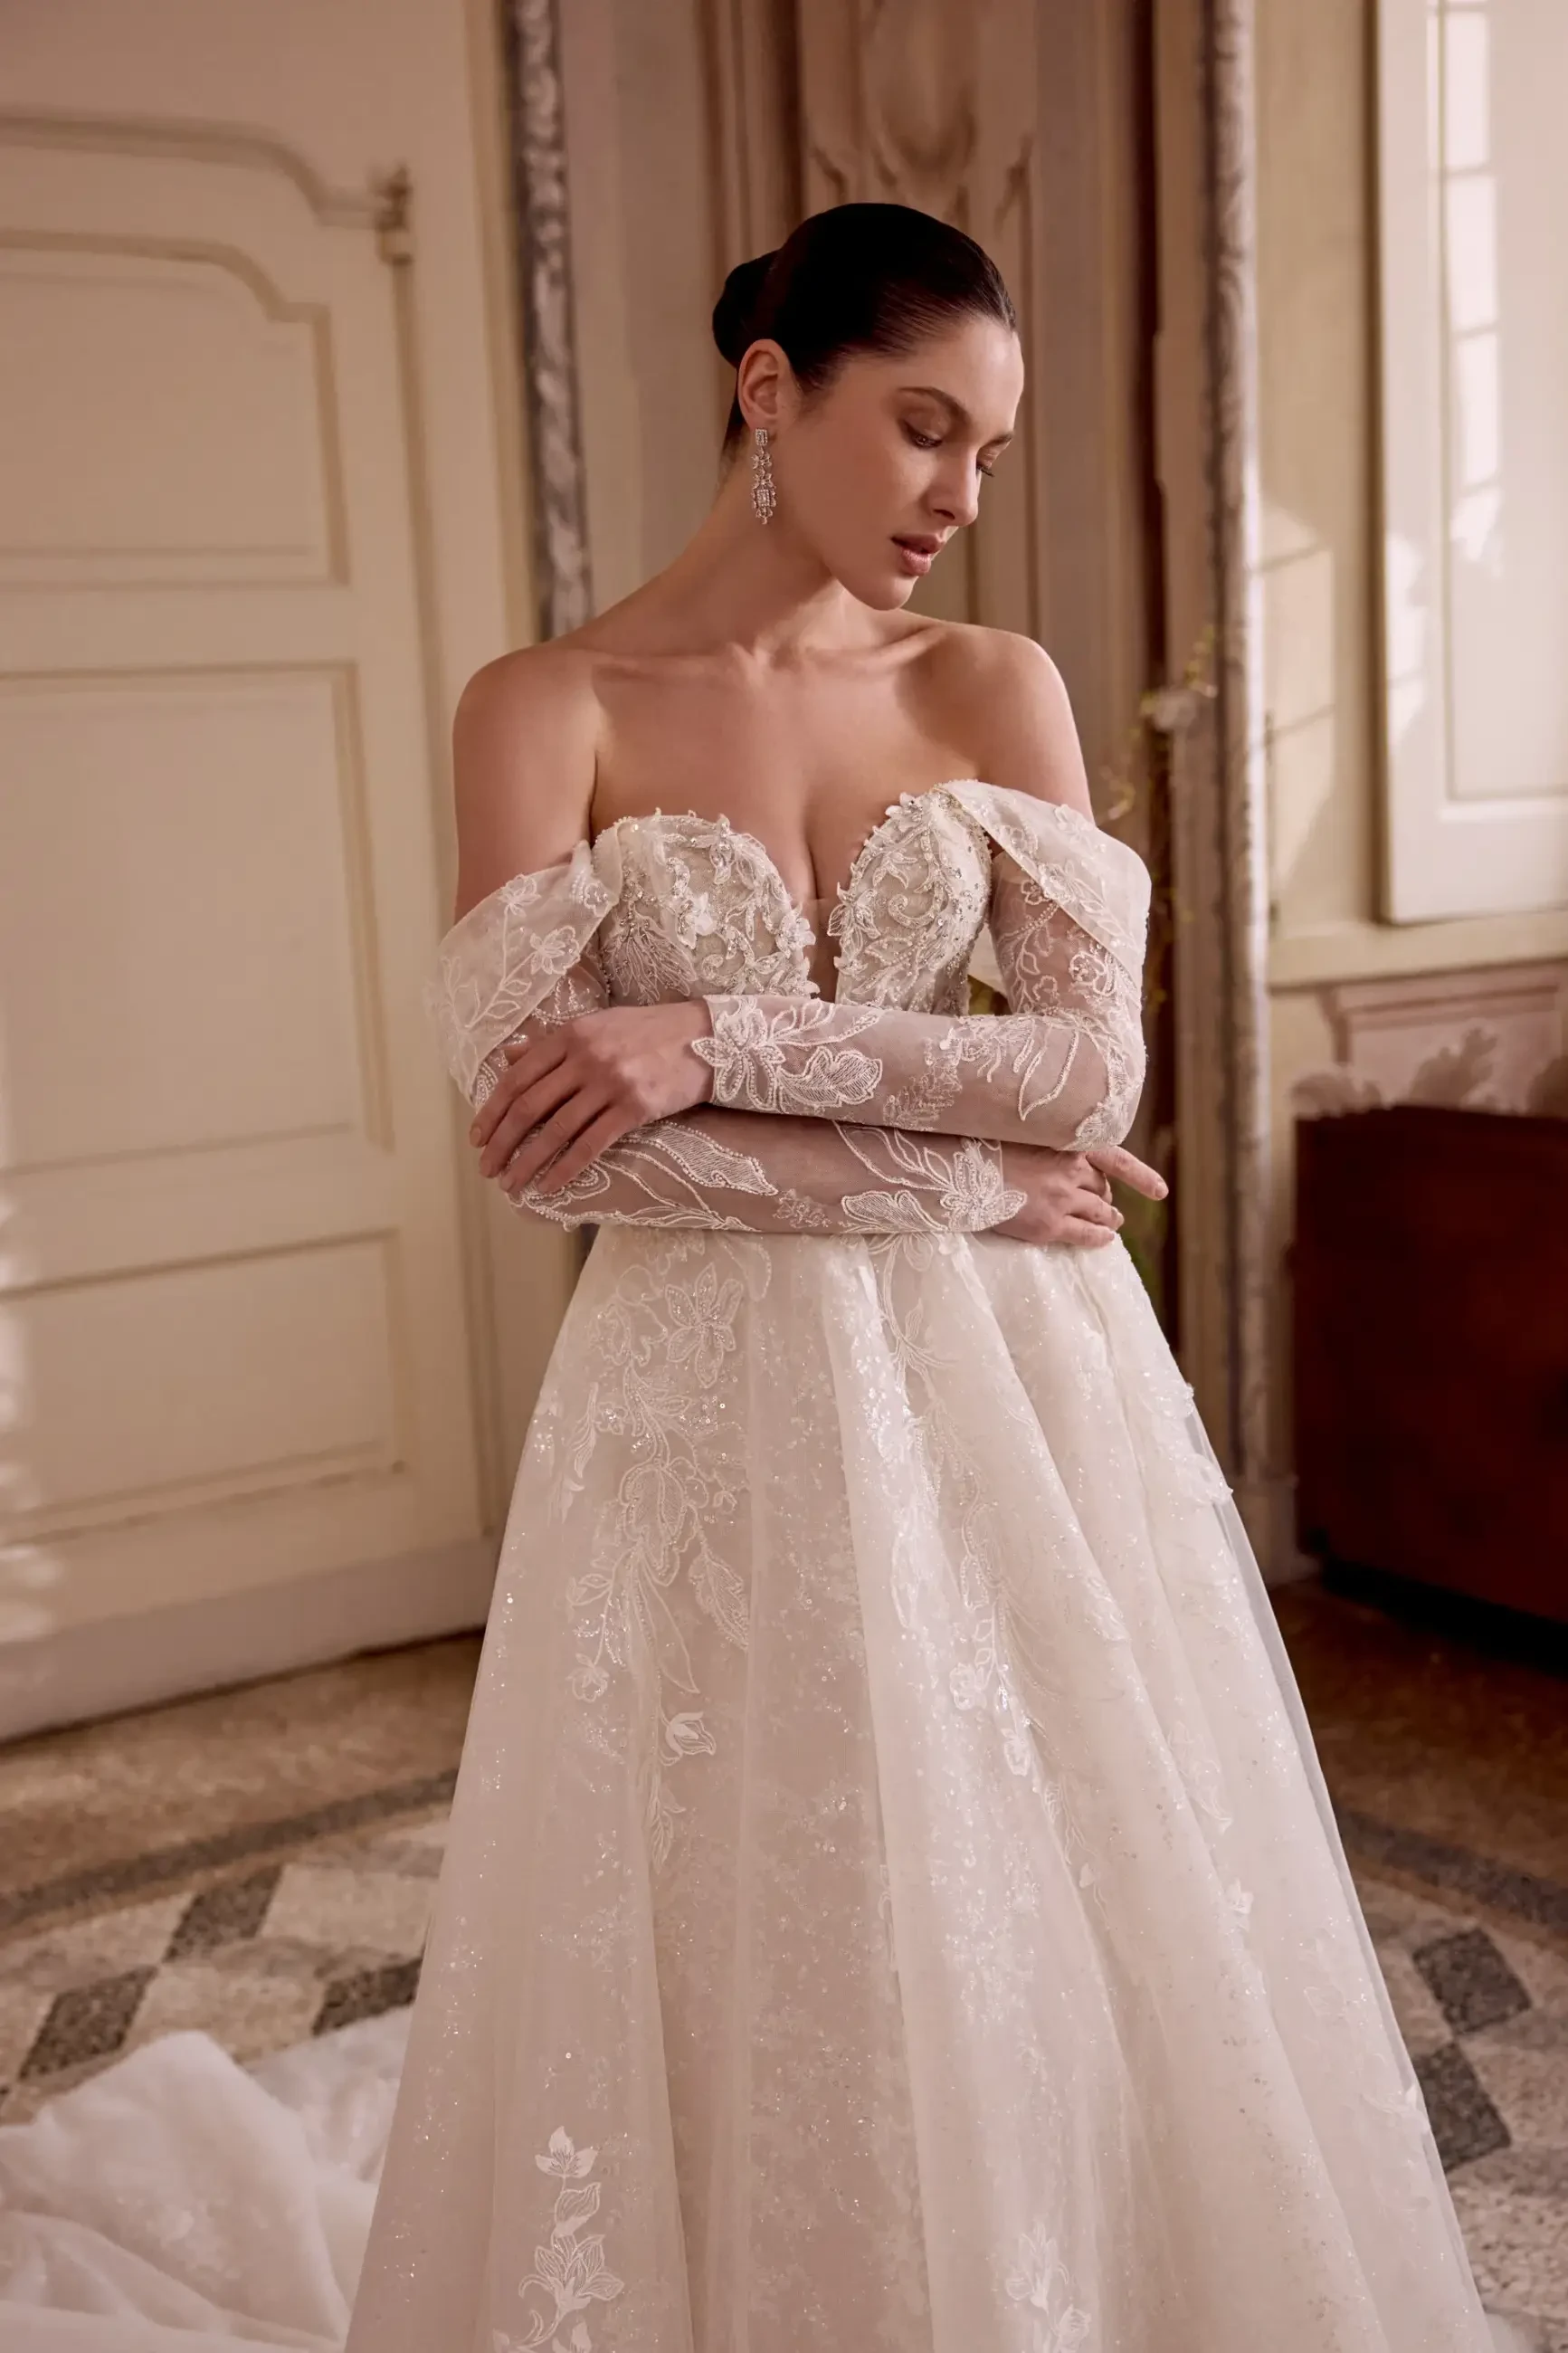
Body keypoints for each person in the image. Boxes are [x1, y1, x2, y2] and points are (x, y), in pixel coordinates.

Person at [0, 204, 1504, 2353]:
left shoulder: (994, 684)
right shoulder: (545, 706)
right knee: (749, 1904)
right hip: (710, 1393)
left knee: (1047, 1883)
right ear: (766, 387)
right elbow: (551, 1155)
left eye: (984, 451)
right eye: (918, 429)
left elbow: (1086, 1064)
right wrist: (969, 1187)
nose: (954, 498)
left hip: (1010, 1386)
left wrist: (714, 1039)